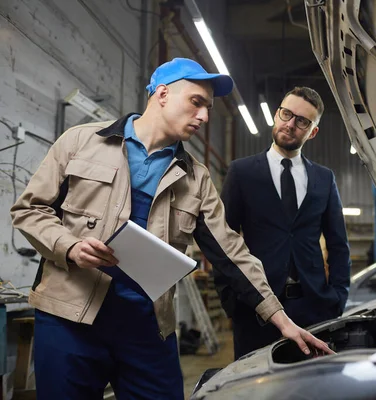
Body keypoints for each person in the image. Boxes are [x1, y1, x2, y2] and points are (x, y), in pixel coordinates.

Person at [10, 58, 331, 400]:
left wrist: (281, 319)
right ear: (162, 94)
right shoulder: (80, 142)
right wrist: (69, 246)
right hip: (68, 320)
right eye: (196, 103)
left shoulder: (196, 178)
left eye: (208, 108)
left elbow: (232, 253)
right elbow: (29, 210)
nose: (205, 116)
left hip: (147, 327)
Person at [219, 86, 351, 360]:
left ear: (312, 131)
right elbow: (223, 241)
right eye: (286, 114)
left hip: (314, 307)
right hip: (256, 308)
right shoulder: (242, 172)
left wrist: (337, 298)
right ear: (276, 115)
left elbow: (339, 245)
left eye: (302, 121)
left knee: (311, 387)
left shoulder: (324, 179)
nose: (290, 124)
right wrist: (232, 302)